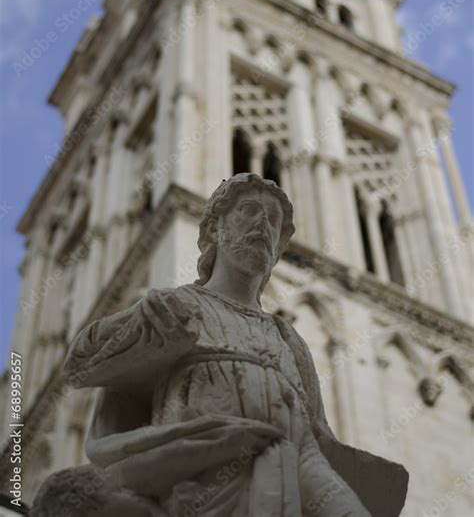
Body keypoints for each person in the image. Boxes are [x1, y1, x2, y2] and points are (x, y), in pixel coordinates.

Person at [32, 173, 408, 516]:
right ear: (214, 229)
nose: (264, 225)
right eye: (249, 211)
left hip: (298, 466)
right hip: (204, 480)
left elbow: (317, 431)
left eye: (274, 222)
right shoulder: (179, 306)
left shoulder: (289, 338)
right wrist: (140, 329)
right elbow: (83, 361)